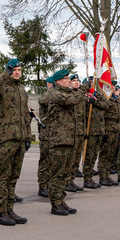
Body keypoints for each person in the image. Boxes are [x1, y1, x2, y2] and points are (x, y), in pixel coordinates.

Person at [0, 59, 30, 226]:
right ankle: (1, 212)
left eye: (19, 69)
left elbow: (26, 116)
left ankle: (10, 210)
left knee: (14, 176)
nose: (17, 72)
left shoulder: (21, 89)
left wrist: (27, 138)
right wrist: (5, 73)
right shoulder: (2, 86)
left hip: (19, 139)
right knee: (4, 176)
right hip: (6, 139)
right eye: (14, 70)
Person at [44, 69, 81, 215]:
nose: (69, 81)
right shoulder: (56, 93)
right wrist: (81, 89)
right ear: (58, 81)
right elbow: (74, 100)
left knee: (64, 173)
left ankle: (61, 201)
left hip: (67, 138)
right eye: (66, 79)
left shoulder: (65, 92)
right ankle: (55, 204)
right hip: (59, 139)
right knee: (57, 173)